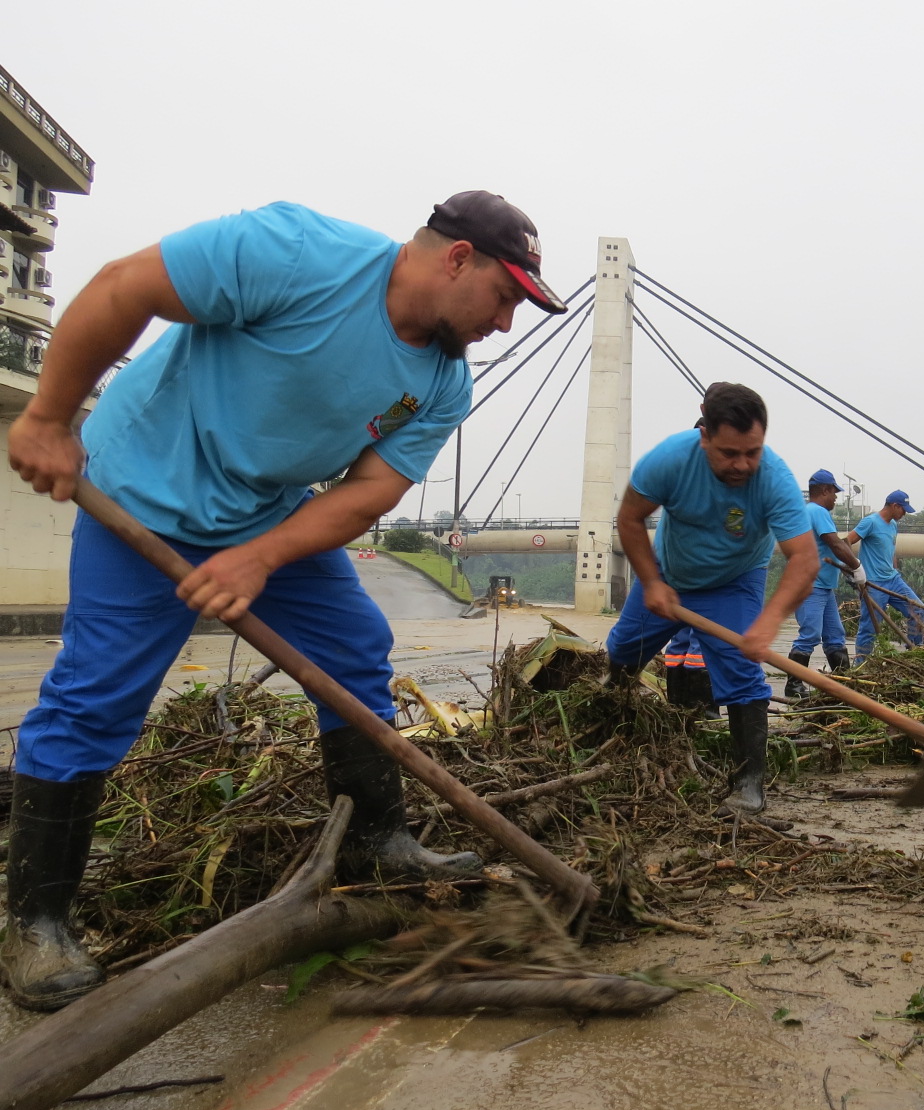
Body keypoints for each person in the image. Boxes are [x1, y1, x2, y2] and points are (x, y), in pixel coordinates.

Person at [3, 190, 566, 1010]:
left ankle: (375, 843)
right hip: (139, 493)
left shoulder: (443, 383)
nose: (506, 322)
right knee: (95, 698)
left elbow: (369, 491)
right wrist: (49, 419)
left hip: (263, 513)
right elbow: (125, 287)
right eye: (506, 296)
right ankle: (34, 926)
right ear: (456, 259)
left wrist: (259, 558)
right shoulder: (297, 255)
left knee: (353, 651)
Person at [605, 383, 817, 814]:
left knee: (741, 669)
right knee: (623, 647)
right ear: (705, 435)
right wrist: (651, 581)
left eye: (752, 452)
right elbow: (629, 519)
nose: (742, 464)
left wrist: (769, 622)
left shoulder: (774, 479)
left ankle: (749, 786)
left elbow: (805, 560)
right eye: (729, 453)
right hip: (668, 573)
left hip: (733, 580)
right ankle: (612, 726)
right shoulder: (669, 460)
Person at [784, 469, 866, 698]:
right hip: (810, 585)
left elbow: (837, 545)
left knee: (835, 635)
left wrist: (849, 567)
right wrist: (858, 567)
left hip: (822, 585)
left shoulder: (809, 512)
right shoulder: (817, 511)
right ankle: (793, 686)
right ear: (824, 490)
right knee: (810, 634)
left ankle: (844, 683)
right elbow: (835, 544)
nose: (836, 498)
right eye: (834, 493)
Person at [848, 489, 924, 660]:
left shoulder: (893, 525)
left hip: (893, 580)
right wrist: (854, 569)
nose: (904, 513)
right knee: (870, 627)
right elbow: (847, 541)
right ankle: (861, 664)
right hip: (873, 584)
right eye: (903, 509)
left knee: (918, 610)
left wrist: (895, 569)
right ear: (894, 505)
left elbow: (891, 550)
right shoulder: (870, 522)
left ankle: (915, 650)